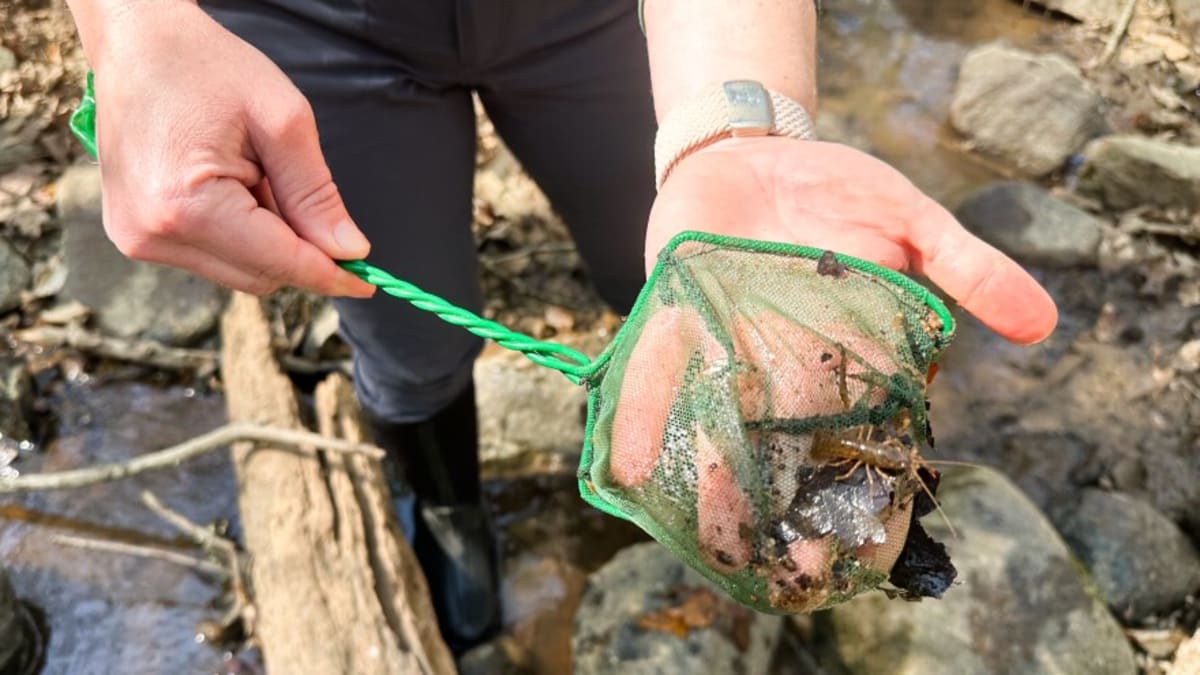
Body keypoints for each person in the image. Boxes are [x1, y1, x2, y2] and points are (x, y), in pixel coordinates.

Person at [64, 0, 1058, 654]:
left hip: (587, 16)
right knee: (411, 350)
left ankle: (699, 443)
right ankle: (449, 510)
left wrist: (737, 130)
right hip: (303, 25)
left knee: (673, 282)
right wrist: (130, 28)